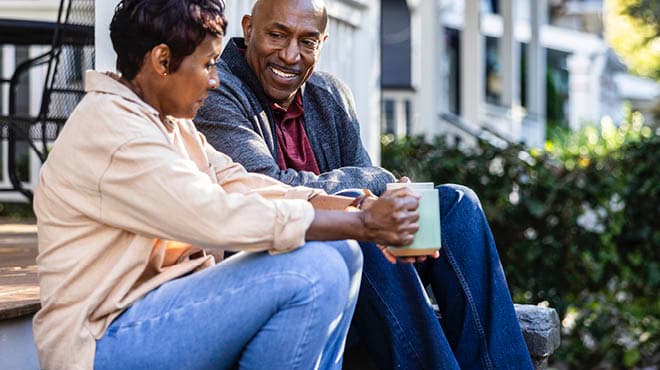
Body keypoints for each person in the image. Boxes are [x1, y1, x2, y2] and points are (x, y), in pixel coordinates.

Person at [31, 1, 424, 369]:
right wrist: (364, 225)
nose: (216, 80)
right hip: (100, 341)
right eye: (208, 64)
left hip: (163, 311)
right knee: (310, 270)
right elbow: (213, 214)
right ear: (163, 61)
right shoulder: (114, 130)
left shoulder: (167, 122)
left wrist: (355, 209)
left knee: (344, 251)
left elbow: (237, 183)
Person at [194, 0, 535, 369]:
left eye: (307, 42)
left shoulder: (330, 96)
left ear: (322, 43)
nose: (290, 55)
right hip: (281, 276)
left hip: (366, 278)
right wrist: (374, 191)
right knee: (359, 222)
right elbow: (268, 187)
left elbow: (369, 184)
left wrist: (386, 204)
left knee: (456, 205)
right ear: (248, 29)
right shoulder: (216, 89)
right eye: (277, 35)